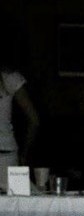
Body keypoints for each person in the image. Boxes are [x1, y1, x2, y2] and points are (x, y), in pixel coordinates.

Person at [0, 55, 40, 192]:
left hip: (8, 156)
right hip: (8, 155)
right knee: (27, 207)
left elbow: (34, 120)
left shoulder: (9, 78)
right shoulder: (9, 77)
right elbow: (34, 119)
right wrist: (24, 153)